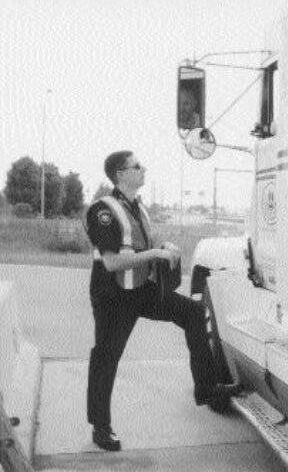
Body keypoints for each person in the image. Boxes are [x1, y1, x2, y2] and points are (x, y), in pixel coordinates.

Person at [84, 150, 240, 451]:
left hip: (141, 288)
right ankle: (100, 428)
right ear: (120, 173)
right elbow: (113, 261)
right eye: (137, 166)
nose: (144, 169)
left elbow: (140, 246)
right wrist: (156, 254)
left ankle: (207, 389)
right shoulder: (103, 210)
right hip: (113, 296)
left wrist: (162, 247)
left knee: (193, 312)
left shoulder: (138, 209)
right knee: (106, 357)